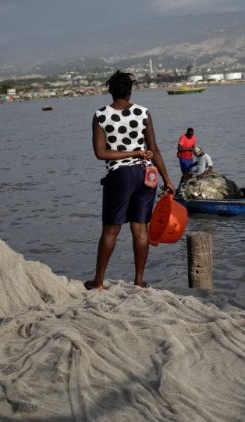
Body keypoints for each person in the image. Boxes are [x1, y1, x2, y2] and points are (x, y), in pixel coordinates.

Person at [89, 70, 175, 291]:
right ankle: (139, 280)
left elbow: (101, 153)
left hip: (120, 176)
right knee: (141, 229)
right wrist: (167, 179)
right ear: (130, 90)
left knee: (110, 230)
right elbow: (153, 150)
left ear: (110, 91)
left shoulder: (100, 116)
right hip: (147, 174)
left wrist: (130, 154)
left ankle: (98, 282)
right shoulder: (143, 113)